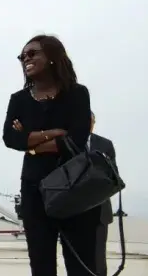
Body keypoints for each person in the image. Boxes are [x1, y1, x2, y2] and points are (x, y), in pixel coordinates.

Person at [3, 34, 99, 276]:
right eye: (22, 56)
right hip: (34, 189)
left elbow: (76, 139)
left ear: (53, 57)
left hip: (76, 186)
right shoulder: (19, 100)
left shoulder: (77, 94)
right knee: (41, 263)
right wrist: (55, 133)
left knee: (81, 263)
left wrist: (31, 140)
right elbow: (10, 139)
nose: (26, 59)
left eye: (32, 53)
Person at [89, 112, 117, 276]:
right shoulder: (69, 142)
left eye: (92, 121)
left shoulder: (105, 144)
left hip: (100, 211)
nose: (89, 124)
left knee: (99, 258)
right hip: (75, 211)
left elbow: (114, 176)